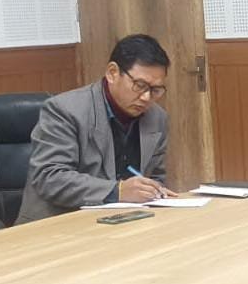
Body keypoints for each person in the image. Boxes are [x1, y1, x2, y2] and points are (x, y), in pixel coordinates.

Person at [16, 34, 177, 222]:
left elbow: (156, 176)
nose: (146, 97)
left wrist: (154, 190)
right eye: (140, 85)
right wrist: (117, 191)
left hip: (123, 221)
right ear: (112, 73)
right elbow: (50, 178)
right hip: (59, 223)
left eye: (155, 90)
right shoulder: (65, 110)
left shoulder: (156, 117)